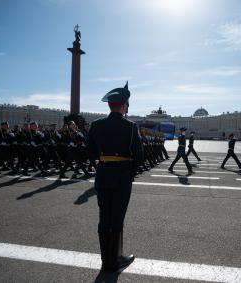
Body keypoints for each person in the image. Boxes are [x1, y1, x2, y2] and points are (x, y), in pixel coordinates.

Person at [87, 82, 143, 274]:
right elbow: (139, 155)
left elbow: (90, 151)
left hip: (103, 176)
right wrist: (130, 173)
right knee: (117, 218)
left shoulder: (96, 125)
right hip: (122, 177)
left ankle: (106, 260)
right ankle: (115, 260)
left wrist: (103, 163)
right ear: (123, 105)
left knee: (104, 217)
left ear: (110, 105)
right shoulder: (130, 127)